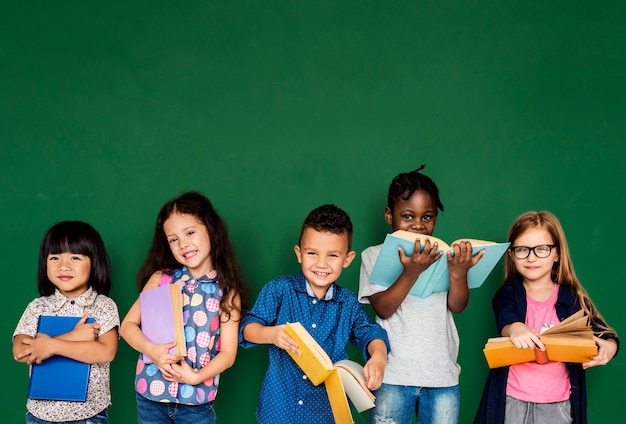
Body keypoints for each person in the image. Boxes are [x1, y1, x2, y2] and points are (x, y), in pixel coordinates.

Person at [240, 204, 389, 424]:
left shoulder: (347, 302)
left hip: (326, 412)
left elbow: (369, 332)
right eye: (312, 253)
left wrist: (379, 358)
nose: (321, 264)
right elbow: (248, 327)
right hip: (280, 409)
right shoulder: (279, 290)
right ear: (299, 254)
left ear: (347, 259)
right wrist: (270, 334)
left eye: (332, 256)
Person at [358, 165, 484, 424]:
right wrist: (411, 272)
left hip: (442, 377)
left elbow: (457, 306)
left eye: (427, 217)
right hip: (393, 376)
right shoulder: (373, 256)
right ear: (389, 215)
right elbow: (383, 308)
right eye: (407, 216)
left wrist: (458, 274)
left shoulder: (444, 255)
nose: (418, 224)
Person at [474, 211, 619, 424]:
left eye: (542, 249)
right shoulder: (508, 294)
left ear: (557, 254)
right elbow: (505, 319)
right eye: (522, 250)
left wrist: (609, 347)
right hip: (511, 400)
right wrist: (515, 328)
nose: (531, 257)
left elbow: (604, 334)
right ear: (512, 255)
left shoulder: (572, 298)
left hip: (558, 405)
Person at [120, 191, 248, 424]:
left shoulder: (227, 293)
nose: (183, 244)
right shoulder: (161, 279)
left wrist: (195, 376)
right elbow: (127, 326)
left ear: (211, 229)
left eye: (190, 232)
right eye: (173, 239)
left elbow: (228, 355)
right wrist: (152, 350)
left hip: (196, 401)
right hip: (150, 394)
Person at [13, 221, 120, 424]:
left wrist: (51, 345)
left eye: (75, 257)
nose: (64, 266)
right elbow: (21, 352)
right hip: (40, 416)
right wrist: (73, 337)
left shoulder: (103, 305)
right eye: (54, 257)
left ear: (94, 262)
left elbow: (106, 352)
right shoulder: (38, 307)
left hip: (88, 416)